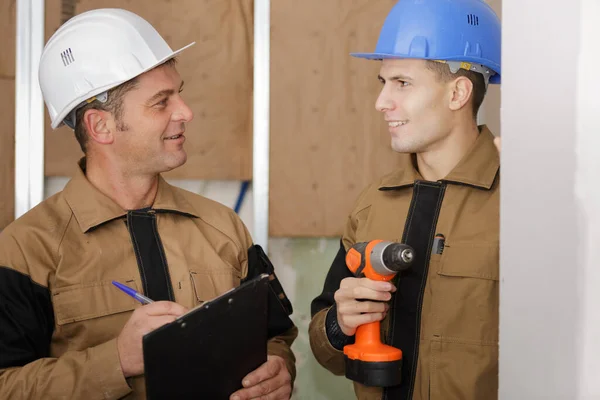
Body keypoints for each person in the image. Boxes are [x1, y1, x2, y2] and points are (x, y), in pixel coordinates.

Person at [0, 9, 296, 400]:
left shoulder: (224, 227)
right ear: (100, 126)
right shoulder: (26, 249)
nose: (186, 112)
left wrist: (279, 369)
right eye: (161, 102)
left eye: (180, 92)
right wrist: (117, 361)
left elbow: (275, 335)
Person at [309, 0, 501, 399]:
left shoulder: (520, 201)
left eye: (402, 83)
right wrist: (337, 325)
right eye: (383, 82)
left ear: (458, 93)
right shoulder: (372, 205)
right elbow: (325, 348)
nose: (382, 102)